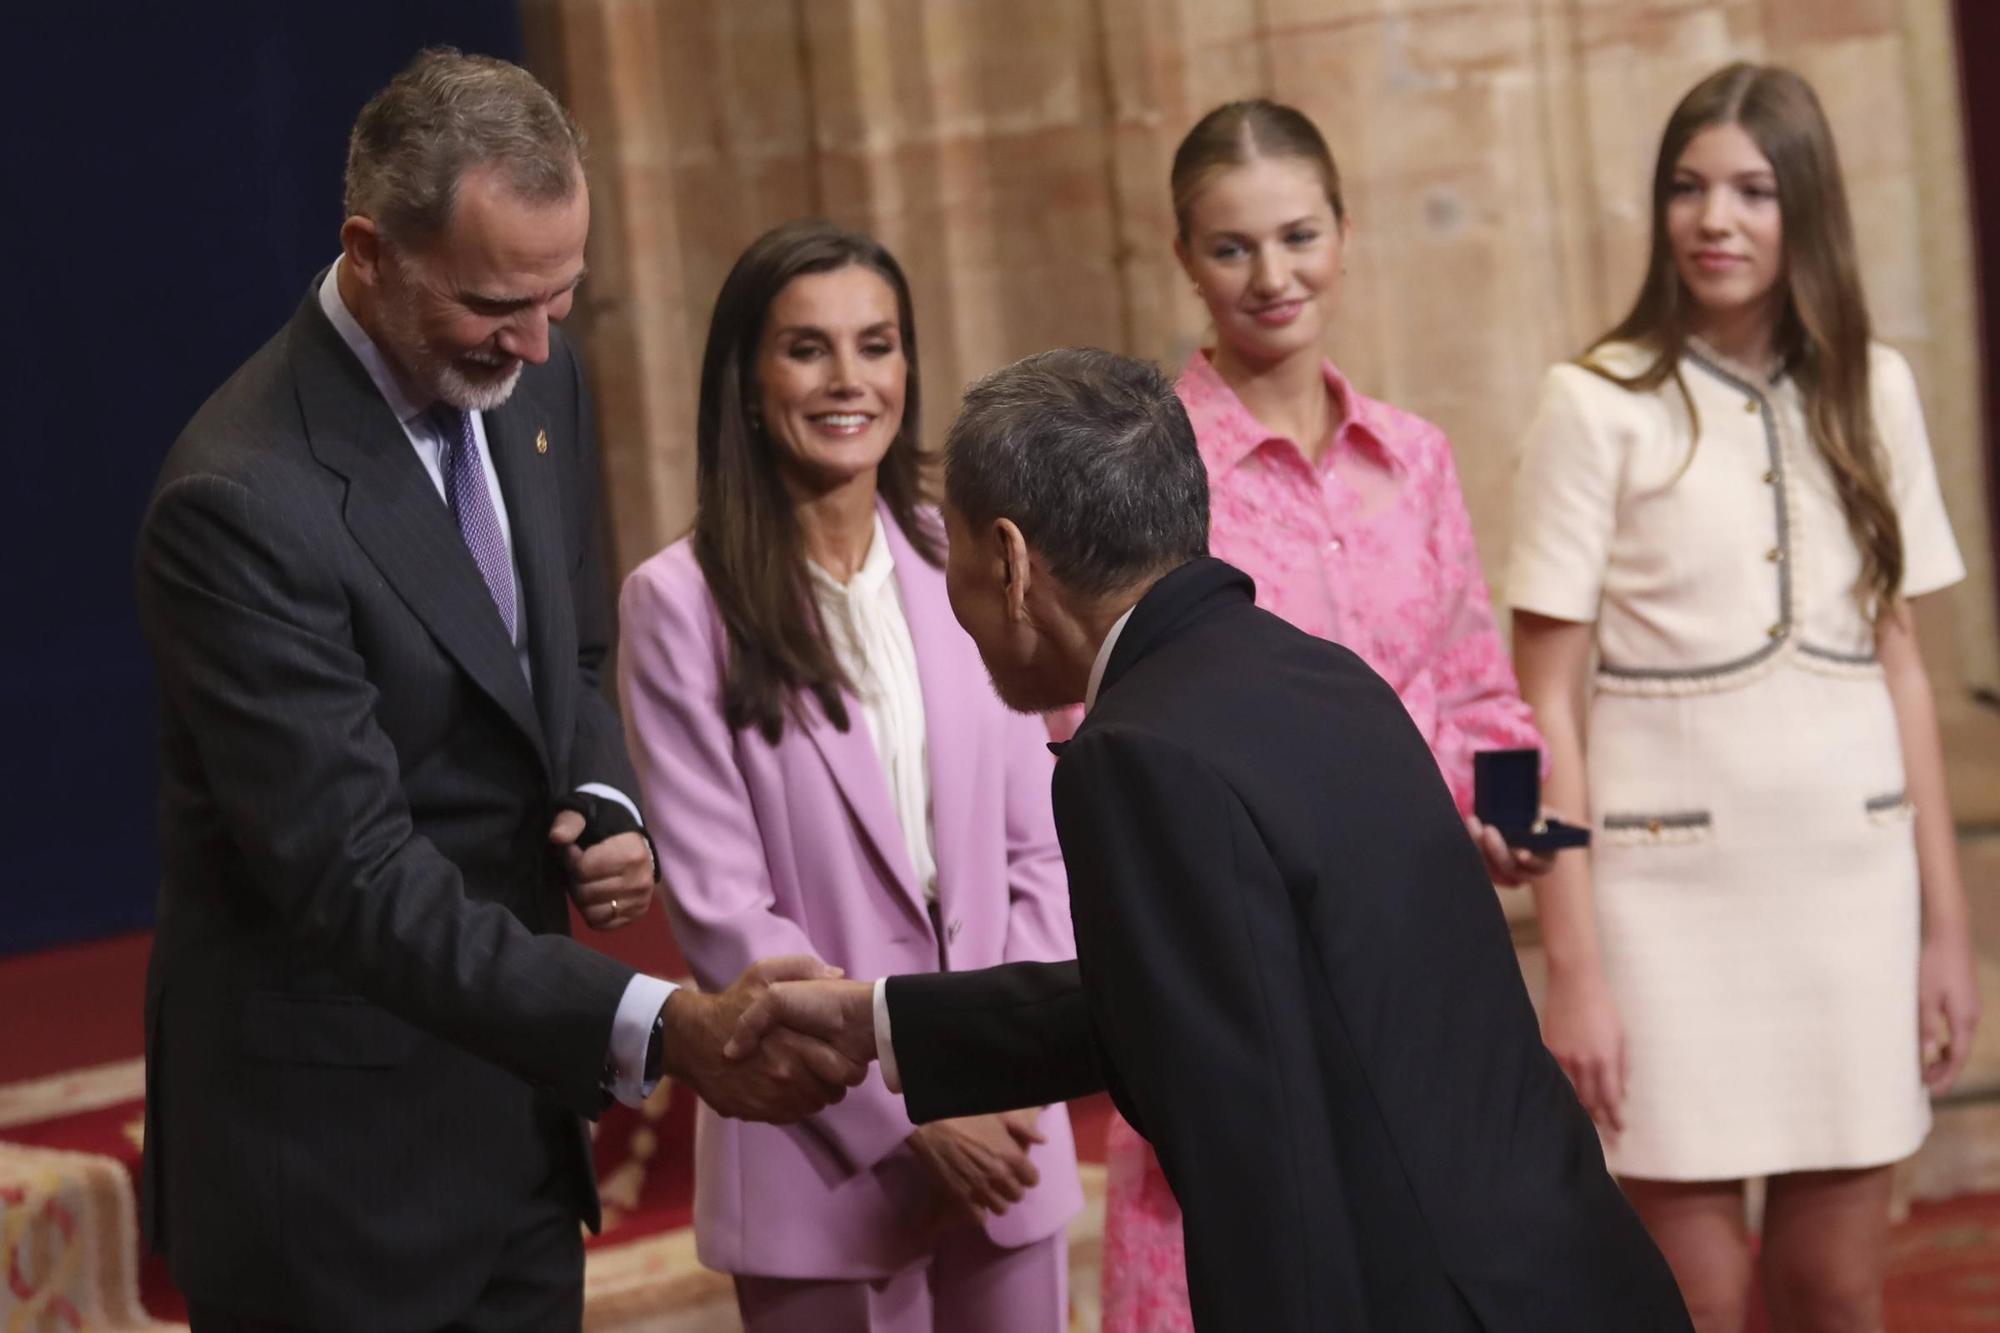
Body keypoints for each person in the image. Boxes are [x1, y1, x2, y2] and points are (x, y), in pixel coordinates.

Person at [729, 347, 1694, 1331]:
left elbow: (1253, 1145)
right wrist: (878, 1020)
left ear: (1012, 563)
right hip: (1565, 1271)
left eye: (957, 559)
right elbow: (1208, 997)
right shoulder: (1320, 675)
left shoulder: (1133, 755)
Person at [133, 50, 860, 1332]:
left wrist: (600, 793)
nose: (532, 342)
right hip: (336, 1176)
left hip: (518, 1123)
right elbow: (352, 876)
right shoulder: (238, 500)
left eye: (561, 296)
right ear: (369, 252)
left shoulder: (534, 380)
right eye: (491, 305)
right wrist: (658, 1021)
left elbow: (562, 656)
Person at [1506, 62, 1980, 1332]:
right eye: (1687, 187)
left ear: (1804, 209)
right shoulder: (1592, 401)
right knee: (1695, 1307)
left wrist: (1945, 926)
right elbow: (1532, 708)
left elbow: (1902, 675)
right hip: (1663, 917)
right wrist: (1572, 963)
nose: (1713, 219)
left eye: (1752, 191)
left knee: (1835, 1296)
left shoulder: (1871, 388)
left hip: (1850, 902)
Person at [1089, 97, 1556, 1331]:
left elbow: (1481, 692)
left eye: (1297, 236)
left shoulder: (1413, 457)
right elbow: (1112, 725)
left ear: (1343, 235)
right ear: (1183, 255)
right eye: (1231, 246)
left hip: (1418, 961)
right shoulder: (1144, 471)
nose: (1270, 276)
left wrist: (1512, 817)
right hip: (1245, 970)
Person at [616, 219, 1081, 1330]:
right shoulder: (678, 603)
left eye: (875, 345)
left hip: (1008, 1136)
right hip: (814, 1154)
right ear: (746, 377)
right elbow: (727, 914)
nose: (847, 380)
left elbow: (1040, 847)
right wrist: (915, 1100)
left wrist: (997, 1065)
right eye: (807, 348)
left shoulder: (969, 555)